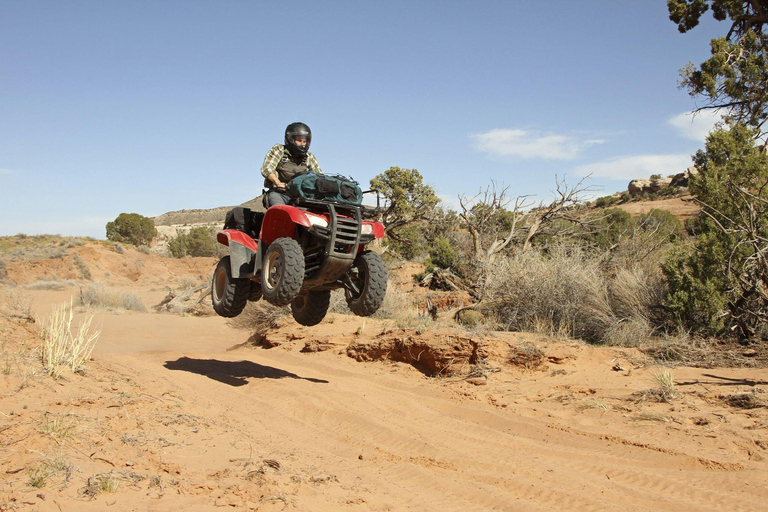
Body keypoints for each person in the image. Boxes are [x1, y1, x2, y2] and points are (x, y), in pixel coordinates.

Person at [261, 122, 323, 207]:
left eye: (304, 141)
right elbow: (267, 169)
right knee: (279, 210)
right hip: (280, 194)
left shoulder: (309, 157)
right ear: (290, 139)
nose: (302, 143)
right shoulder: (279, 150)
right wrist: (278, 183)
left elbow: (319, 176)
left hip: (301, 197)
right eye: (299, 140)